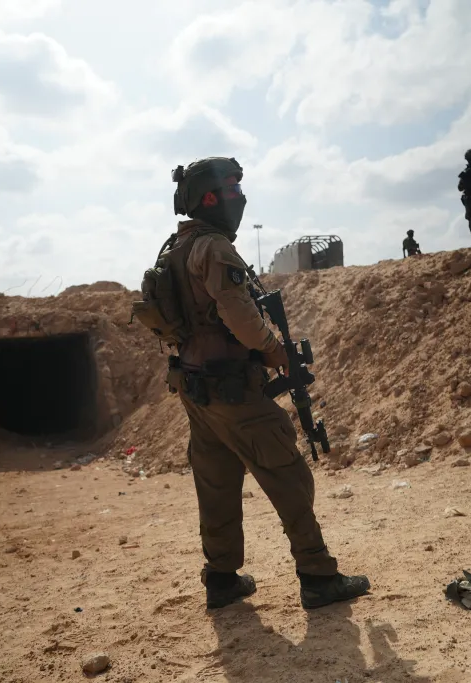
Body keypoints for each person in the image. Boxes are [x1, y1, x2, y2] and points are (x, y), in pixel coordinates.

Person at [159, 156, 369, 609]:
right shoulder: (213, 247)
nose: (239, 195)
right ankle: (317, 575)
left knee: (215, 485)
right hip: (233, 388)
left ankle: (221, 580)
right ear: (208, 198)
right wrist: (275, 351)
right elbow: (240, 315)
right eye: (231, 188)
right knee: (287, 474)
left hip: (196, 388)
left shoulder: (173, 250)